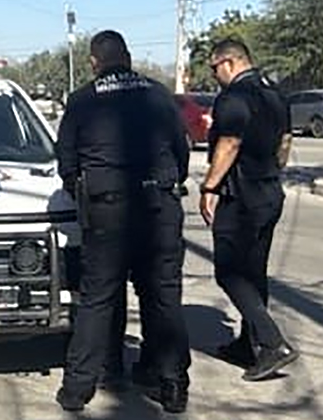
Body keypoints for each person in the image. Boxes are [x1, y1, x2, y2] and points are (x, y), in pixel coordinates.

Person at [55, 30, 191, 413]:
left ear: (94, 62)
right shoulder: (158, 94)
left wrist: (86, 194)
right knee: (163, 296)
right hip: (159, 206)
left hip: (107, 211)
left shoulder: (82, 100)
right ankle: (173, 384)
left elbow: (67, 163)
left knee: (98, 299)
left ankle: (77, 389)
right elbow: (181, 153)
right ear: (128, 58)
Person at [199, 38, 299, 381]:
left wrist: (209, 188)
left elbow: (229, 143)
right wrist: (270, 172)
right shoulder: (274, 93)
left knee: (228, 272)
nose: (214, 76)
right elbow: (285, 142)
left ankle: (272, 344)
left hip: (240, 198)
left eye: (214, 69)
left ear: (228, 62)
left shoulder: (234, 97)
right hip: (269, 191)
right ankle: (248, 344)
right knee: (254, 273)